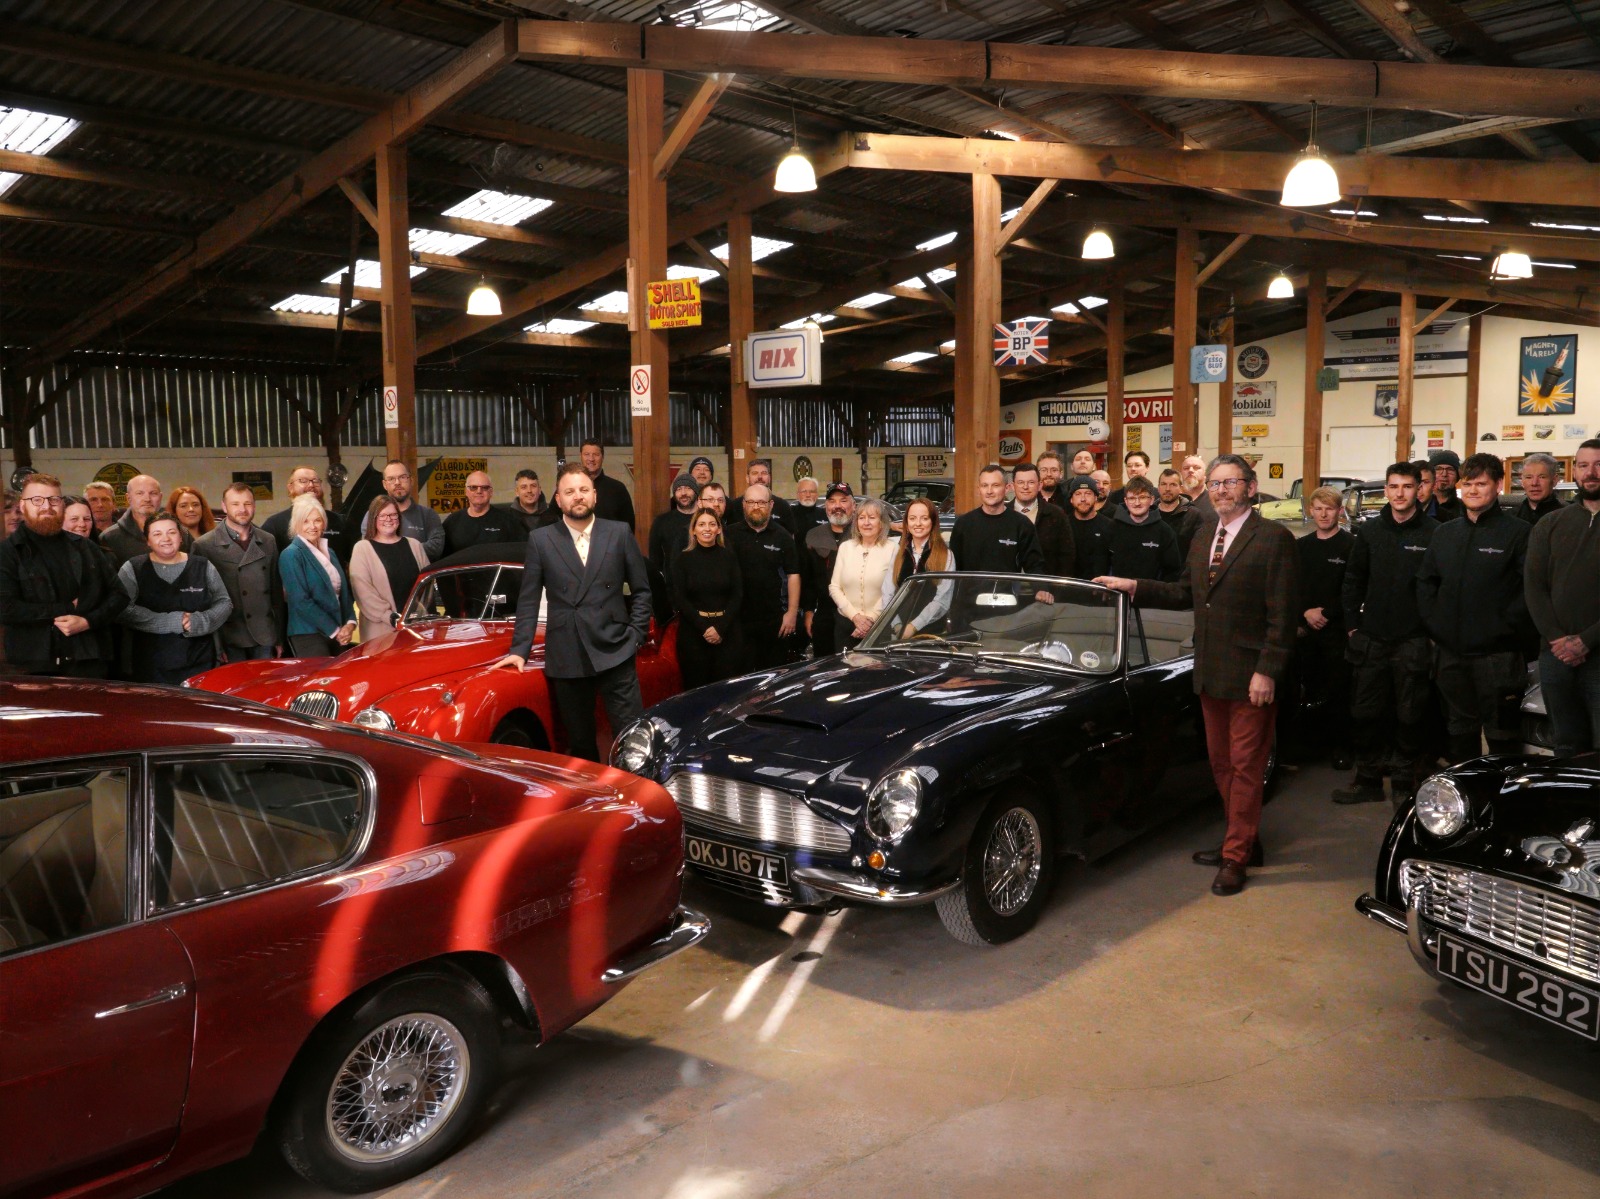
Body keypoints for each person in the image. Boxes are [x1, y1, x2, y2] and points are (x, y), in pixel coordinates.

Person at [1098, 454, 1298, 898]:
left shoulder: (1274, 539)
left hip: (1251, 676)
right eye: (1215, 483)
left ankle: (1235, 857)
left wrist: (1267, 671)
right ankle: (1243, 841)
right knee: (1221, 764)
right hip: (1210, 670)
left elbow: (1283, 617)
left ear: (1250, 487)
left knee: (1246, 767)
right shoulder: (1205, 534)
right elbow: (1184, 593)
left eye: (1230, 482)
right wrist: (1134, 586)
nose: (1221, 490)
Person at [495, 464, 652, 763]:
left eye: (583, 490)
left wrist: (636, 635)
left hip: (616, 649)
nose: (577, 496)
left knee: (632, 740)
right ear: (558, 499)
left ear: (595, 495)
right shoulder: (541, 540)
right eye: (569, 492)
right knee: (580, 745)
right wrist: (519, 650)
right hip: (567, 652)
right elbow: (528, 600)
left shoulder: (619, 533)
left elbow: (642, 591)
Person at [1334, 462, 1439, 805]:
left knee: (1410, 714)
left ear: (1418, 489)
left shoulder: (1435, 533)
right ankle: (1368, 780)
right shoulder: (1370, 531)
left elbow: (1442, 587)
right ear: (1386, 490)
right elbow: (1353, 580)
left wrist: (1433, 633)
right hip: (1372, 638)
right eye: (1393, 486)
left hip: (1414, 640)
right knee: (1365, 712)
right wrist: (1353, 625)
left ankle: (1404, 782)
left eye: (1407, 486)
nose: (1399, 493)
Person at [1415, 452, 1531, 761]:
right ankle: (1466, 790)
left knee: (1503, 737)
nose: (1473, 491)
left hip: (1498, 656)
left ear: (1498, 485)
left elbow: (1530, 589)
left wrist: (1504, 627)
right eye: (1467, 484)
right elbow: (1426, 582)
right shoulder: (1444, 533)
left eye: (1481, 484)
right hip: (1451, 654)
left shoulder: (1519, 533)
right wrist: (1435, 626)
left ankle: (1503, 792)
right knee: (1459, 733)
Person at [0, 472, 128, 677]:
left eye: (53, 499)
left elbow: (119, 595)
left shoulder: (85, 547)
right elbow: (6, 608)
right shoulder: (7, 552)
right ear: (23, 506)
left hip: (88, 660)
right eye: (37, 500)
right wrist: (65, 608)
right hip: (32, 665)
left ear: (61, 504)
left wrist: (87, 621)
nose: (47, 506)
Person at [1524, 438, 1600, 756]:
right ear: (1574, 472)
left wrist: (1587, 640)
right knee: (1565, 746)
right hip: (1556, 657)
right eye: (1583, 465)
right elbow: (1534, 586)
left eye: (1599, 465)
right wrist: (1558, 639)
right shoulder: (1550, 523)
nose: (1591, 472)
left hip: (1598, 655)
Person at [116, 512, 232, 685]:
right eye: (157, 534)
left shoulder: (202, 565)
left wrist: (201, 621)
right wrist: (172, 622)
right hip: (150, 663)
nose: (166, 538)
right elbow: (122, 609)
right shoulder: (133, 568)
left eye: (171, 532)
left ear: (181, 537)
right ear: (148, 540)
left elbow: (224, 602)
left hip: (199, 659)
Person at [1293, 486, 1355, 770]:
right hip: (1307, 631)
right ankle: (1312, 745)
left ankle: (1342, 746)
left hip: (1337, 631)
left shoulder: (1351, 545)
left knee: (1339, 690)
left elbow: (1352, 589)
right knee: (1311, 687)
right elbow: (1293, 587)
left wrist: (1327, 613)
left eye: (1329, 509)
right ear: (1311, 511)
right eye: (1318, 508)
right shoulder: (1302, 546)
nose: (1323, 514)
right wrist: (1304, 613)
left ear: (1339, 511)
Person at [193, 482, 284, 663]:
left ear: (254, 506)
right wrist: (216, 644)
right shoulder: (204, 545)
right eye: (235, 504)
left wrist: (278, 637)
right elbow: (203, 601)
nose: (242, 509)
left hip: (264, 634)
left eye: (247, 503)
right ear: (224, 506)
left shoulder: (268, 540)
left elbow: (276, 594)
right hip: (229, 636)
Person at [725, 482, 800, 672]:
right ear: (743, 505)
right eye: (751, 502)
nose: (756, 507)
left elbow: (793, 575)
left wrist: (791, 613)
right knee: (741, 677)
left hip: (775, 621)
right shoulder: (728, 535)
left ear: (771, 505)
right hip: (737, 621)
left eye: (761, 502)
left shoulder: (783, 536)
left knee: (773, 676)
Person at [670, 506, 744, 688]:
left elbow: (737, 595)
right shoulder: (683, 560)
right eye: (701, 524)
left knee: (727, 692)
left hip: (727, 632)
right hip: (693, 635)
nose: (707, 528)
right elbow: (680, 598)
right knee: (696, 692)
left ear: (719, 529)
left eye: (712, 524)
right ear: (693, 530)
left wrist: (720, 628)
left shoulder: (729, 557)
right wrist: (705, 628)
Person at [280, 497, 358, 658]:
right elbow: (300, 601)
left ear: (324, 523)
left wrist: (350, 623)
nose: (313, 526)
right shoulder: (291, 554)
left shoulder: (331, 552)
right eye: (306, 521)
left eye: (317, 520)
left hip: (338, 631)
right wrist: (335, 630)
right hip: (308, 634)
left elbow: (343, 592)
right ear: (296, 524)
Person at [349, 496, 430, 642]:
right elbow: (363, 592)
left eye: (393, 514)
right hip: (380, 631)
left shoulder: (415, 545)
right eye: (383, 515)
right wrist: (389, 616)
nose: (389, 519)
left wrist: (424, 614)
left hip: (416, 628)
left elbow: (427, 584)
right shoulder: (362, 549)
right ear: (373, 519)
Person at [948, 464, 1044, 574]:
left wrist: (1037, 586)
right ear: (979, 489)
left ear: (1007, 488)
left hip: (1008, 586)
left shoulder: (1022, 524)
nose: (989, 491)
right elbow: (953, 568)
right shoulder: (963, 524)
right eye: (984, 485)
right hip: (970, 586)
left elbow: (1035, 567)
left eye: (995, 485)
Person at [829, 498, 897, 650]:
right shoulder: (845, 547)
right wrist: (855, 617)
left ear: (882, 522)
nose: (866, 523)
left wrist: (870, 620)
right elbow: (834, 587)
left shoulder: (893, 548)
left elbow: (892, 589)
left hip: (881, 626)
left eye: (872, 518)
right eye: (861, 518)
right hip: (846, 626)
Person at [263, 465, 354, 566]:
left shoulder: (339, 521)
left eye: (315, 481)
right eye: (303, 481)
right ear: (290, 488)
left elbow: (351, 559)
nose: (311, 485)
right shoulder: (274, 525)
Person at [801, 483, 853, 659]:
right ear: (826, 507)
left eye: (843, 500)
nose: (837, 506)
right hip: (824, 615)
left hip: (856, 615)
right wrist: (808, 611)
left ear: (853, 505)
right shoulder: (813, 536)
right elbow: (808, 579)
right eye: (832, 501)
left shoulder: (863, 534)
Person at [891, 497, 957, 637]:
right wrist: (897, 626)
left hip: (931, 634)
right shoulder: (898, 552)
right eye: (912, 518)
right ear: (906, 522)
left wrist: (913, 626)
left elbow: (943, 599)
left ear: (933, 521)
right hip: (897, 633)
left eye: (924, 518)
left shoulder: (946, 555)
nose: (918, 523)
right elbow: (888, 593)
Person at [363, 461, 445, 560]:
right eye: (391, 479)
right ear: (384, 484)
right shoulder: (372, 515)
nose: (397, 483)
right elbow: (368, 550)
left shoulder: (428, 515)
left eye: (402, 477)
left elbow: (436, 548)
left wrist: (396, 550)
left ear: (411, 480)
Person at [1106, 475, 1181, 582]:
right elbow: (1103, 565)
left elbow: (1172, 572)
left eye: (1142, 497)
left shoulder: (1165, 532)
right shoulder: (1112, 528)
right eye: (1132, 498)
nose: (1137, 503)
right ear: (1125, 501)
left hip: (1151, 591)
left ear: (1152, 500)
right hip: (1115, 591)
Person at [648, 473, 701, 623]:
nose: (683, 493)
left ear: (696, 491)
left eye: (688, 488)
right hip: (672, 594)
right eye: (679, 489)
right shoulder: (661, 522)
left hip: (703, 592)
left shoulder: (705, 520)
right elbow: (655, 562)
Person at [1010, 462, 1074, 576]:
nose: (1025, 487)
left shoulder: (1056, 514)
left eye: (1031, 482)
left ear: (1039, 485)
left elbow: (1067, 556)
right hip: (1008, 584)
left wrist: (1056, 585)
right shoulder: (1003, 513)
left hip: (1046, 583)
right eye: (1020, 482)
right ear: (1012, 486)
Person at [100, 473, 177, 566]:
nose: (147, 499)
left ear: (160, 497)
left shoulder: (180, 533)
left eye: (153, 493)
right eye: (140, 493)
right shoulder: (109, 537)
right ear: (128, 498)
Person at [442, 471, 522, 555]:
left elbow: (520, 553)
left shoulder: (508, 521)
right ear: (466, 491)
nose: (479, 491)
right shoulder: (452, 521)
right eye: (473, 487)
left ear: (491, 492)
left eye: (485, 487)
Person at [579, 439, 636, 530]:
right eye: (587, 454)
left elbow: (628, 527)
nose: (591, 459)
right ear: (580, 456)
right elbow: (555, 518)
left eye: (596, 454)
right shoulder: (570, 488)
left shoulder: (618, 489)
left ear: (603, 457)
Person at [1065, 475, 1112, 579]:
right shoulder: (1063, 525)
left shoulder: (1109, 526)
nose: (1083, 499)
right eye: (1078, 494)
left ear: (1096, 497)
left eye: (1088, 494)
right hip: (1069, 585)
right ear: (1071, 499)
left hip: (1099, 586)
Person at [731, 459, 793, 530]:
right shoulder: (734, 506)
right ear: (747, 478)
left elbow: (790, 534)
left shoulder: (783, 506)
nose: (760, 477)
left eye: (764, 473)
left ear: (769, 478)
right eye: (755, 473)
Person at [1157, 467, 1202, 558]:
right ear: (1158, 487)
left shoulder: (1193, 515)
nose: (1167, 489)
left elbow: (1198, 552)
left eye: (1173, 484)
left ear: (1181, 488)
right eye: (1163, 484)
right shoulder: (1150, 513)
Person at [1515, 452, 1565, 525]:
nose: (1534, 483)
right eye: (1529, 477)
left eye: (1542, 477)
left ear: (1554, 480)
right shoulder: (1510, 518)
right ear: (1522, 481)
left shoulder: (1566, 517)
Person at [502, 467, 551, 535]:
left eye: (533, 486)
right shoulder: (506, 519)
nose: (529, 490)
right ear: (517, 492)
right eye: (524, 487)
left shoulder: (553, 517)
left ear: (539, 490)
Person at [1425, 449, 1465, 522]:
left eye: (1450, 470)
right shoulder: (1417, 506)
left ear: (1458, 476)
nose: (1444, 474)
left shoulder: (1465, 509)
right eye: (1438, 469)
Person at [787, 476, 826, 540]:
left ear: (817, 495)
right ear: (797, 495)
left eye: (812, 491)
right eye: (804, 491)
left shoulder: (825, 514)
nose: (808, 495)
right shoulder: (788, 514)